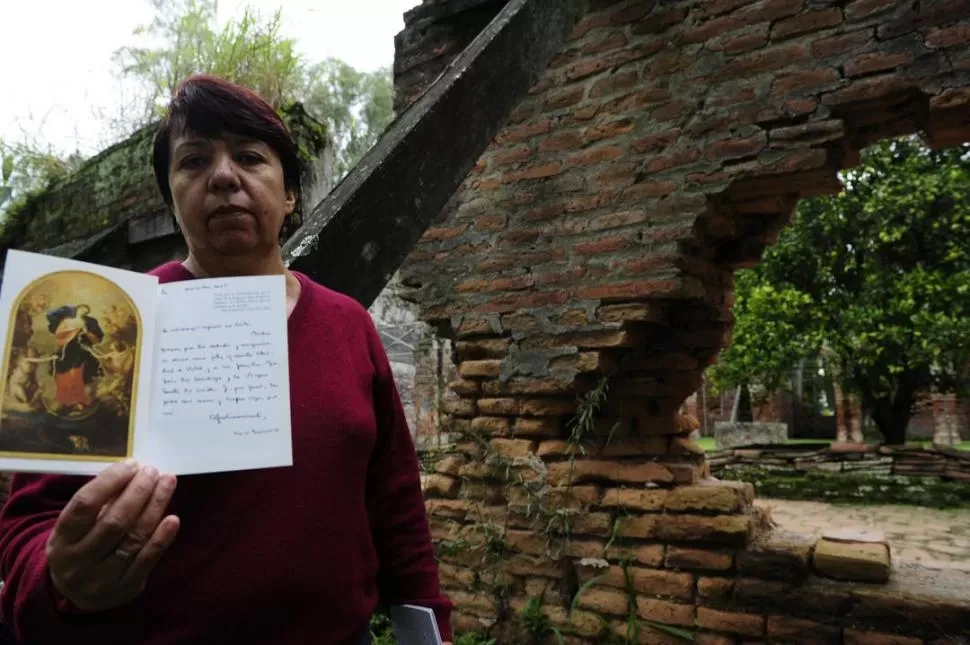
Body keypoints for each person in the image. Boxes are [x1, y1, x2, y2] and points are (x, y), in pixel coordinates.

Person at [0, 75, 453, 645]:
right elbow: (27, 528)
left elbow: (396, 506)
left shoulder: (348, 325)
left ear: (289, 193)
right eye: (193, 161)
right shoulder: (115, 325)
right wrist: (61, 582)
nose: (222, 176)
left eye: (249, 157)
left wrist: (429, 626)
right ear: (172, 199)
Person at [45, 304, 104, 412]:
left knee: (76, 374)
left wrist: (86, 332)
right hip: (67, 350)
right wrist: (74, 330)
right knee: (62, 374)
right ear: (77, 309)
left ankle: (77, 401)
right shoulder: (67, 321)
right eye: (82, 309)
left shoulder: (89, 322)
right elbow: (59, 334)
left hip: (81, 351)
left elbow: (97, 338)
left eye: (86, 310)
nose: (84, 311)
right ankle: (64, 401)